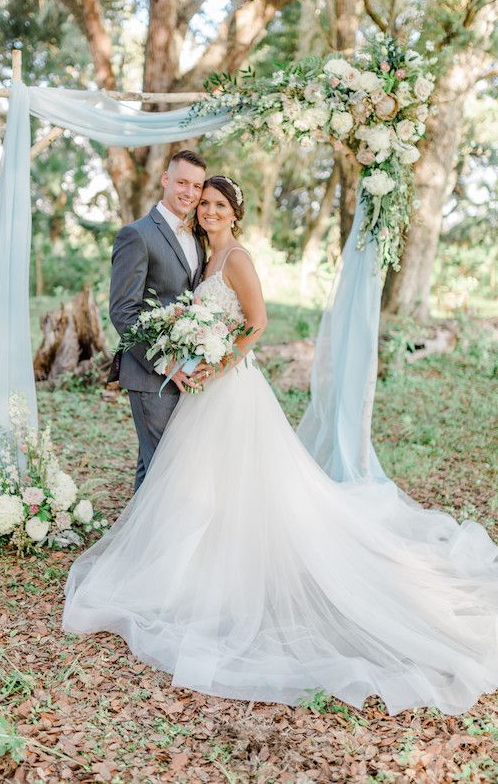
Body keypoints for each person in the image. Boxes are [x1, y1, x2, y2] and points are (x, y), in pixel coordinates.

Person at [64, 176, 498, 717]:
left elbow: (258, 322)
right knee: (203, 481)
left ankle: (230, 573)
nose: (208, 212)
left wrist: (218, 363)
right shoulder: (205, 256)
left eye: (219, 205)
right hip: (205, 391)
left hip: (233, 388)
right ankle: (194, 567)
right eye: (204, 205)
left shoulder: (237, 258)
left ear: (234, 213)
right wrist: (194, 355)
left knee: (245, 481)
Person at [109, 149, 207, 492]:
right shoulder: (136, 235)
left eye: (197, 186)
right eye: (182, 182)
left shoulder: (197, 237)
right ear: (166, 180)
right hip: (152, 375)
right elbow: (122, 311)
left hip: (186, 370)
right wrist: (166, 363)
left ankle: (137, 543)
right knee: (168, 470)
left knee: (153, 467)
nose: (190, 193)